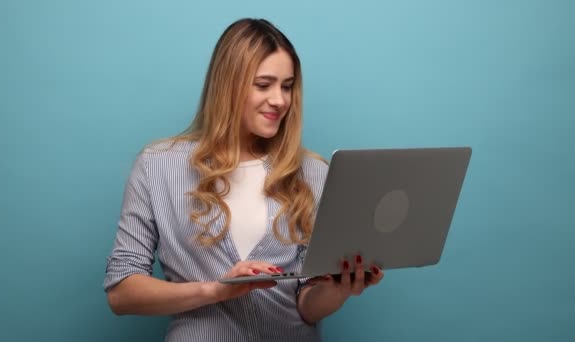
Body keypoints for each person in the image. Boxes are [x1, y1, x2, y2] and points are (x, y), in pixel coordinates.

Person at [104, 18, 384, 342]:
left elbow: (306, 307)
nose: (279, 100)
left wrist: (339, 290)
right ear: (228, 85)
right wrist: (216, 290)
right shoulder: (157, 167)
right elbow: (121, 292)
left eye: (287, 85)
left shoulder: (313, 173)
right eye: (264, 85)